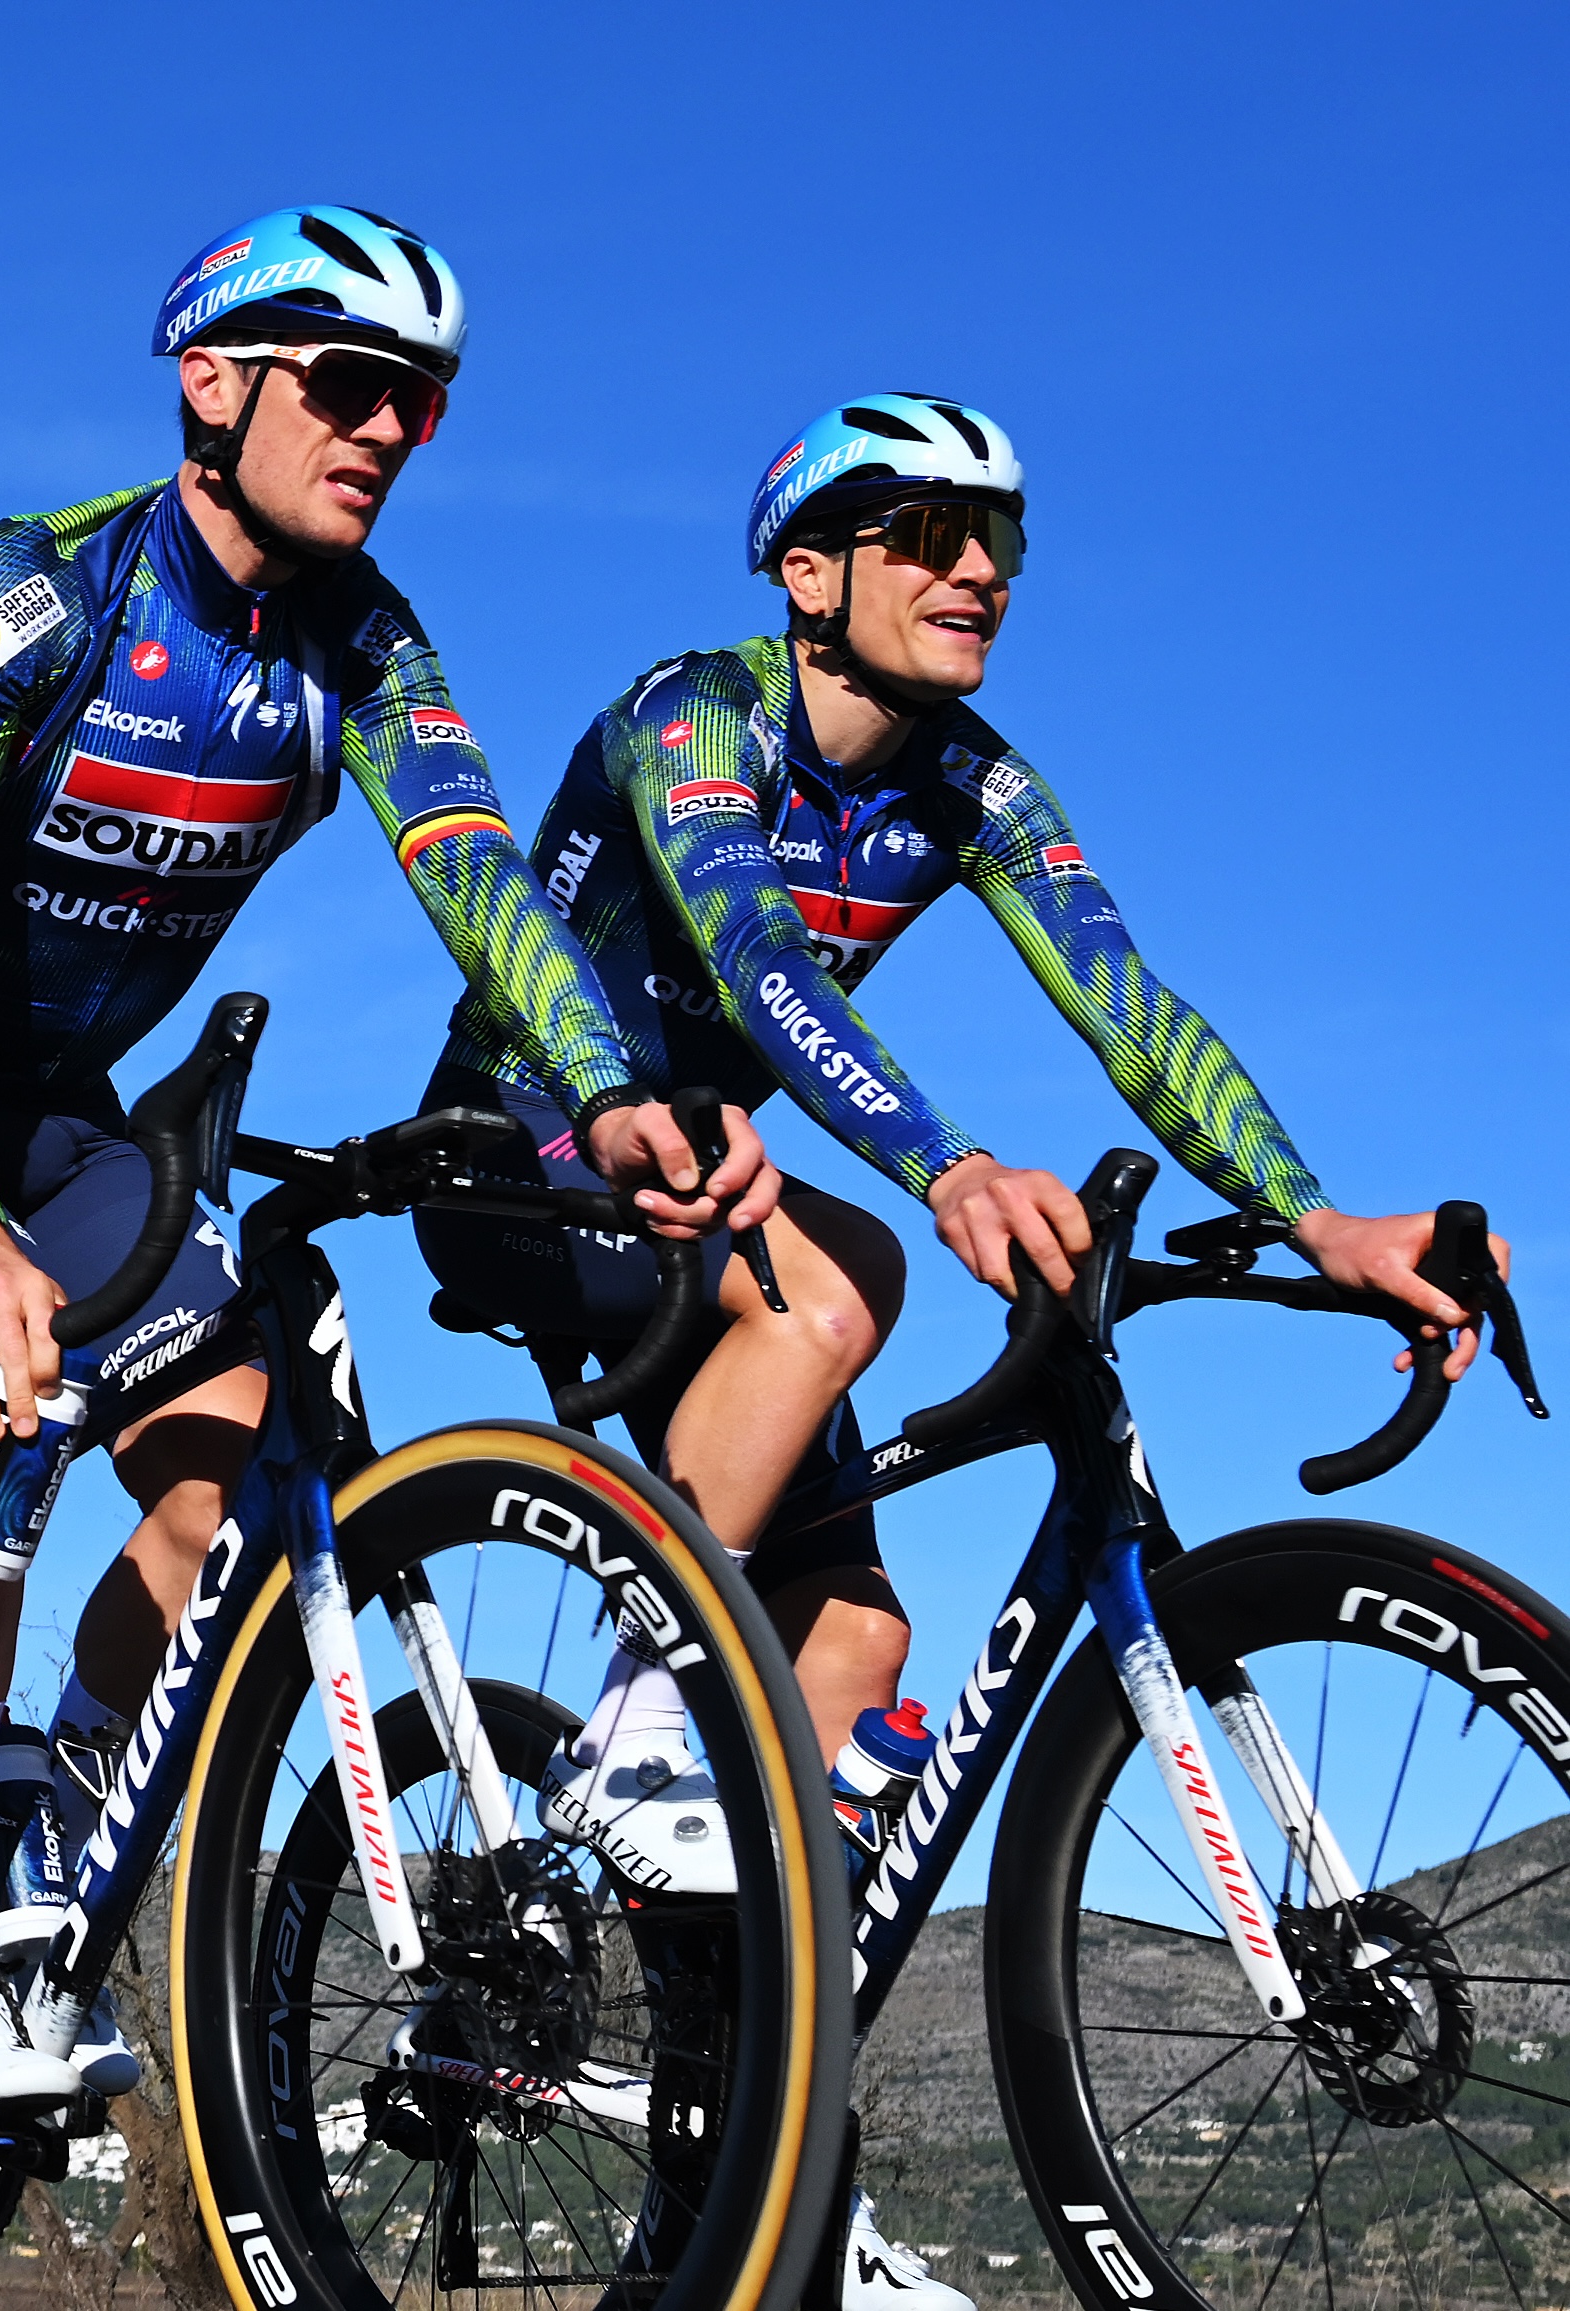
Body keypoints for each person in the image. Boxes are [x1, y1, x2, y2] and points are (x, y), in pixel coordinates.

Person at [0, 205, 766, 2113]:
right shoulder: (27, 594)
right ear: (212, 379)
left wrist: (601, 1092)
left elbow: (481, 876)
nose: (385, 432)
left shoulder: (361, 639)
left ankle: (35, 1835)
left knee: (224, 1463)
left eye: (419, 404)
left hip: (69, 1107)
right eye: (347, 384)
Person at [412, 391, 1498, 2309]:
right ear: (809, 570)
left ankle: (750, 2169)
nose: (978, 565)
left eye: (998, 534)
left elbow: (1124, 1001)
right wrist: (942, 1162)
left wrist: (1324, 1216)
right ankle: (629, 1751)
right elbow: (753, 957)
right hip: (531, 1152)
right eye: (922, 531)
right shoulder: (698, 715)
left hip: (716, 1203)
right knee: (843, 1291)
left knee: (857, 1643)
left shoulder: (970, 783)